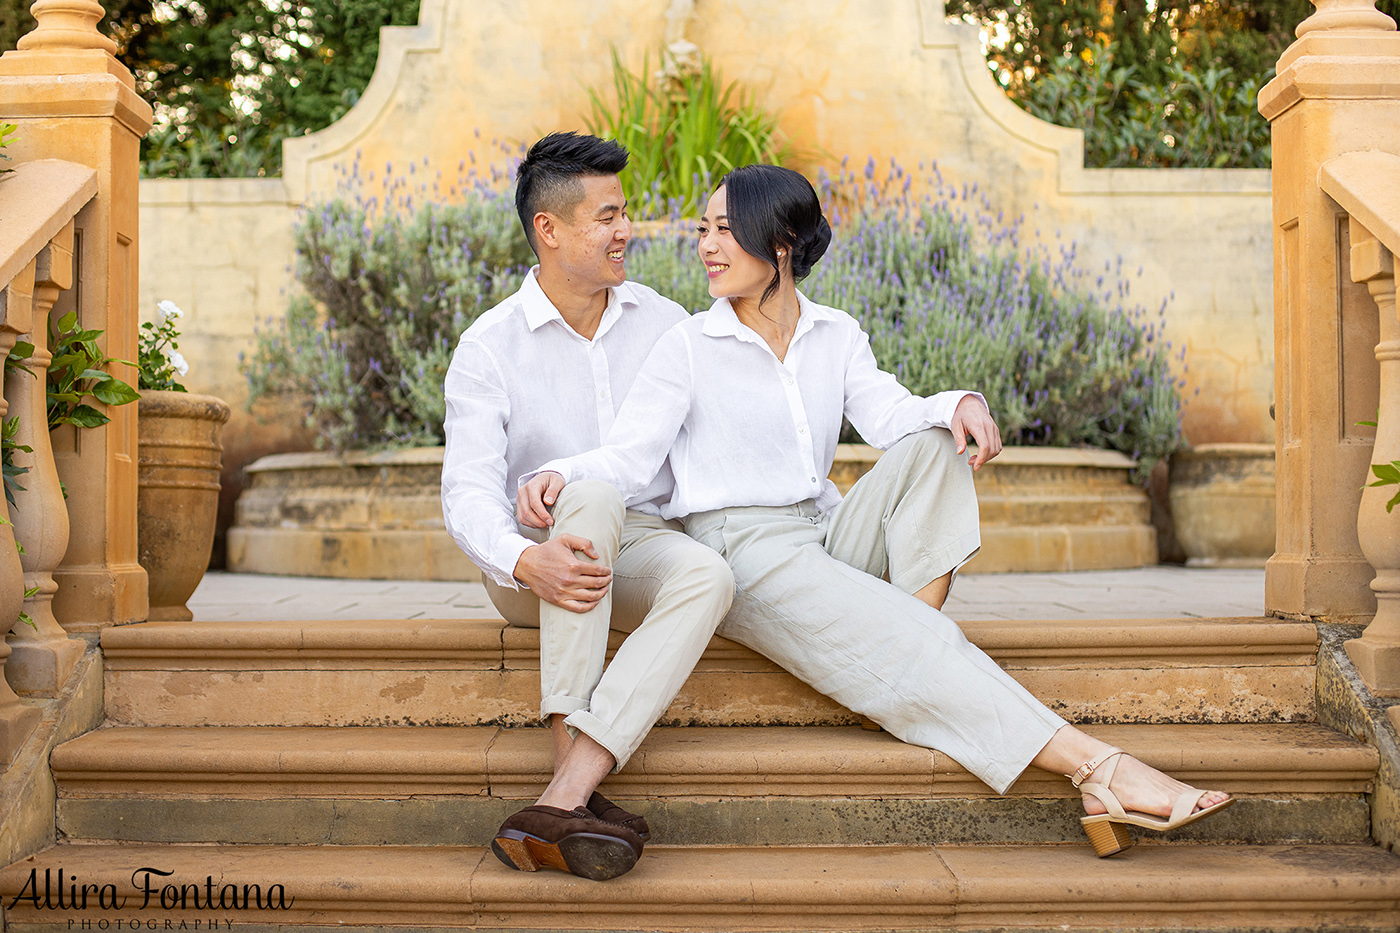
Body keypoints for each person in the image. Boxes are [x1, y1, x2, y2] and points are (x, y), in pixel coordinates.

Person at [518, 163, 1233, 859]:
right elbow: (630, 457)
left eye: (724, 230)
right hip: (743, 547)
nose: (705, 245)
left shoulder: (835, 333)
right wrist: (558, 474)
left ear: (780, 244)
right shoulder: (688, 346)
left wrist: (961, 402)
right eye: (702, 229)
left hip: (822, 530)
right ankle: (1099, 769)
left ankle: (903, 641)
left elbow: (892, 416)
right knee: (923, 635)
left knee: (935, 443)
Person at [441, 132, 735, 881]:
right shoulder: (489, 346)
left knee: (709, 577)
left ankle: (566, 793)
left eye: (624, 212)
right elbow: (466, 490)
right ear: (550, 229)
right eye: (606, 216)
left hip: (632, 546)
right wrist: (521, 557)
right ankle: (567, 781)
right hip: (533, 565)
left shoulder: (666, 323)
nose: (624, 230)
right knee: (592, 491)